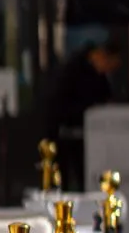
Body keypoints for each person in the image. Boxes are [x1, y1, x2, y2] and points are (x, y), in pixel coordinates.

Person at [46, 40, 122, 192]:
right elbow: (60, 100)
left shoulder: (101, 78)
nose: (108, 69)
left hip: (90, 135)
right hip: (67, 131)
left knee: (85, 178)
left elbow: (107, 98)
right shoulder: (74, 69)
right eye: (109, 65)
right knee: (65, 176)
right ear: (101, 56)